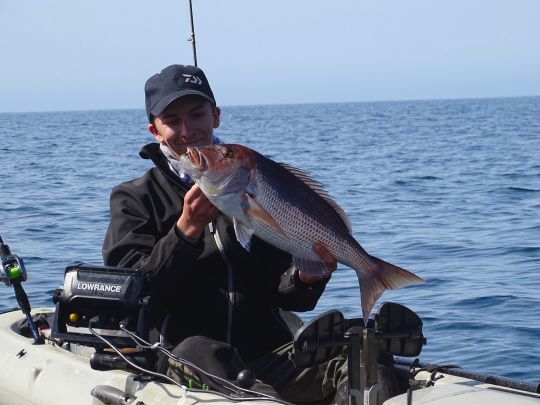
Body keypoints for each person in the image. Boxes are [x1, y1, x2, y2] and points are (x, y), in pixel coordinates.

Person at [102, 64, 350, 403]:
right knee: (199, 350)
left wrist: (305, 279)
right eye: (172, 121)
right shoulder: (134, 198)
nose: (187, 130)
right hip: (182, 361)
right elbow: (135, 298)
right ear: (155, 131)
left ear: (215, 116)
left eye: (196, 114)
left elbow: (289, 297)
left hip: (268, 356)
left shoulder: (249, 179)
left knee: (356, 346)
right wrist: (185, 230)